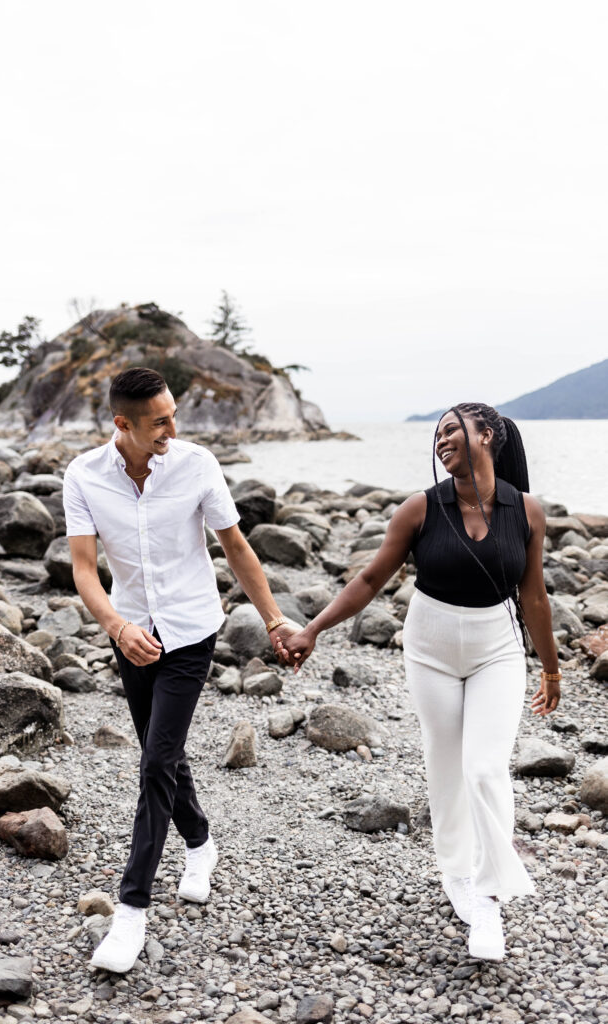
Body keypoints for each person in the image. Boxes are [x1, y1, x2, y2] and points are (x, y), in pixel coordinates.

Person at [277, 402, 561, 961]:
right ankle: (455, 871)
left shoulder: (526, 511)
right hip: (429, 648)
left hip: (497, 649)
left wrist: (551, 668)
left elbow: (534, 594)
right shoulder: (419, 510)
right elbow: (369, 578)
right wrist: (312, 629)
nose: (442, 440)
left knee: (483, 767)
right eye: (437, 434)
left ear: (488, 434)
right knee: (446, 766)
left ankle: (488, 896)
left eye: (452, 429)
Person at [63, 367, 297, 973]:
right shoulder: (84, 475)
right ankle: (200, 843)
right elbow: (85, 569)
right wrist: (117, 626)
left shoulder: (196, 464)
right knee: (159, 751)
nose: (173, 427)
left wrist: (273, 622)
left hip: (192, 629)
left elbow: (236, 545)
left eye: (174, 414)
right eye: (160, 420)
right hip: (133, 632)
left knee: (157, 761)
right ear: (123, 425)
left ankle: (132, 909)